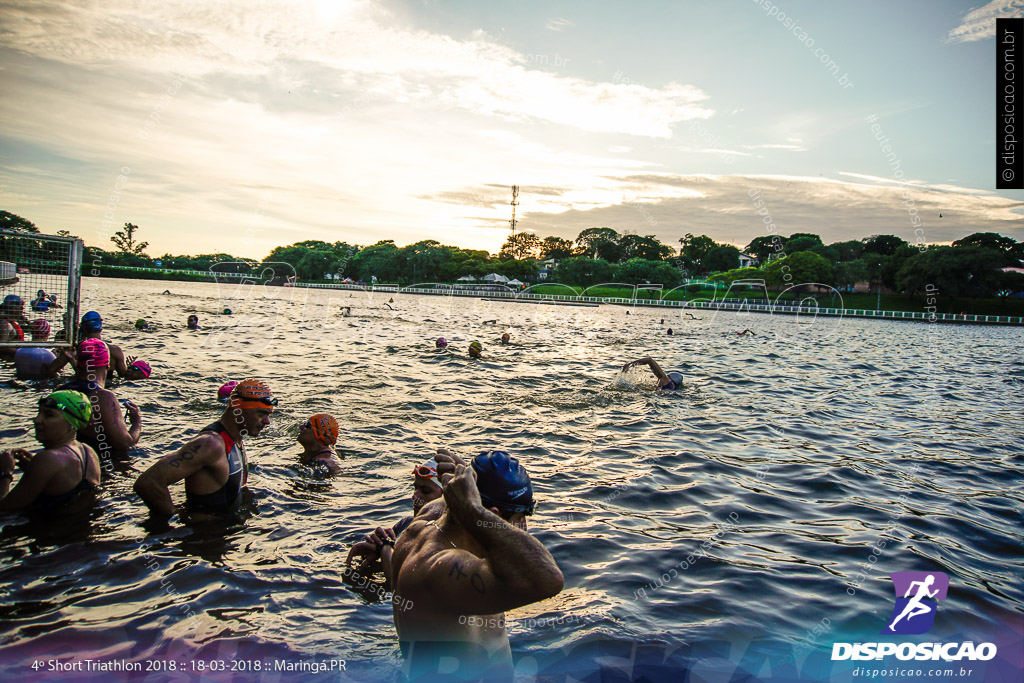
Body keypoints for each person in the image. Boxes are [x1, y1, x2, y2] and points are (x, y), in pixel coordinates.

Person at [383, 450, 563, 680]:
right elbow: (548, 580)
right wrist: (474, 510)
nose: (523, 528)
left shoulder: (427, 519)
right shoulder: (440, 566)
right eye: (519, 519)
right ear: (493, 516)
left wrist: (465, 481)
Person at [134, 378, 275, 516]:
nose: (267, 422)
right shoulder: (210, 444)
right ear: (238, 409)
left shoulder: (236, 440)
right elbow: (148, 482)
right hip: (204, 537)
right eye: (261, 413)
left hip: (227, 535)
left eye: (268, 415)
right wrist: (173, 520)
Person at [0, 390, 100, 511]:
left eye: (49, 415)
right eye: (39, 412)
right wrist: (31, 469)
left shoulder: (47, 459)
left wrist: (5, 473)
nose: (36, 419)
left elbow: (4, 509)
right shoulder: (88, 452)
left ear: (71, 424)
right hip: (75, 527)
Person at [345, 457, 444, 574]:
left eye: (425, 491)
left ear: (447, 498)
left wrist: (386, 550)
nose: (415, 496)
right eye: (415, 488)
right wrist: (376, 548)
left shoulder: (448, 542)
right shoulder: (406, 524)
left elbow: (402, 587)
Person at [57, 339, 141, 456]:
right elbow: (125, 445)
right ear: (108, 365)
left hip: (65, 462)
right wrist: (137, 422)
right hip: (95, 465)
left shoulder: (60, 392)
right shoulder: (103, 397)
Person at [49, 311, 129, 379]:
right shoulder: (115, 351)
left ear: (82, 328)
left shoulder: (73, 350)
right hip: (107, 390)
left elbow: (51, 371)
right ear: (101, 328)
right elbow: (124, 377)